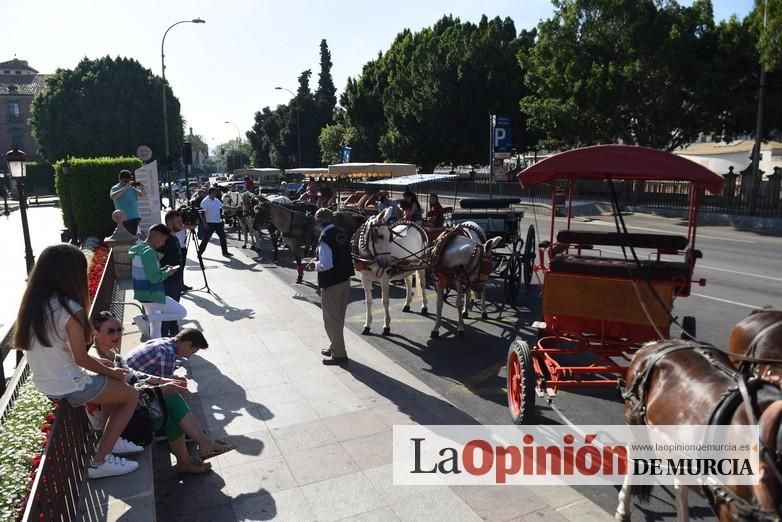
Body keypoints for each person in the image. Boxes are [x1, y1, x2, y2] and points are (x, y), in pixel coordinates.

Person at [13, 244, 142, 479]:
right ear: (71, 274)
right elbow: (80, 357)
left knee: (112, 386)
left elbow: (71, 357)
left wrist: (107, 370)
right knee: (130, 394)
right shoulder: (70, 309)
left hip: (48, 382)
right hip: (68, 384)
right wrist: (114, 372)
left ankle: (110, 440)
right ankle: (100, 461)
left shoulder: (35, 305)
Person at [91, 316, 233, 473]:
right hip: (120, 418)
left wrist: (166, 382)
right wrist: (164, 386)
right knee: (171, 400)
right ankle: (201, 446)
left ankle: (188, 459)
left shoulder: (116, 355)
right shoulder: (98, 360)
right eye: (110, 331)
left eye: (119, 330)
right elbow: (124, 391)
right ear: (95, 333)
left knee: (171, 406)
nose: (117, 335)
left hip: (127, 403)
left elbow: (134, 377)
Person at [305, 208, 354, 365]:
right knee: (338, 317)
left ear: (319, 221)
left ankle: (339, 354)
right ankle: (335, 346)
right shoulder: (341, 232)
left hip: (331, 282)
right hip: (344, 279)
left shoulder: (325, 236)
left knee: (331, 319)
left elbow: (327, 264)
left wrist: (314, 265)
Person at [129, 224, 187, 339]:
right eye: (164, 239)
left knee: (156, 326)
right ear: (158, 236)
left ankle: (155, 348)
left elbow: (148, 272)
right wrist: (168, 273)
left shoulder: (139, 248)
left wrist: (163, 269)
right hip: (152, 294)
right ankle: (144, 318)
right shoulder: (149, 252)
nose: (164, 243)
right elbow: (154, 278)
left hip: (142, 294)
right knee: (181, 312)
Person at [159, 212, 184, 337]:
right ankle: (163, 341)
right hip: (168, 282)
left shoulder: (173, 237)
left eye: (181, 221)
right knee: (167, 314)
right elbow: (156, 259)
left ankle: (175, 335)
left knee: (173, 311)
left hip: (176, 280)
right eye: (178, 222)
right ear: (169, 223)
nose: (181, 223)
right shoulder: (165, 240)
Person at [198, 188, 233, 258]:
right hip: (209, 223)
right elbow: (202, 213)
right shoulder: (205, 201)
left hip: (218, 222)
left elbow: (223, 206)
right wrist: (204, 224)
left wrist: (233, 208)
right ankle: (199, 253)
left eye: (216, 193)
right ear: (210, 193)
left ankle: (225, 252)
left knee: (223, 237)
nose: (215, 194)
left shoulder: (216, 200)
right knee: (206, 239)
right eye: (214, 193)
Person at [109, 170, 145, 236]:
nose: (127, 182)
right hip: (125, 220)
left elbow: (142, 195)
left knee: (137, 238)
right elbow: (113, 197)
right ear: (120, 179)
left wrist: (142, 189)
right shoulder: (115, 188)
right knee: (129, 240)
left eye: (129, 180)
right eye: (126, 181)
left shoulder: (131, 188)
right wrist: (125, 188)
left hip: (135, 218)